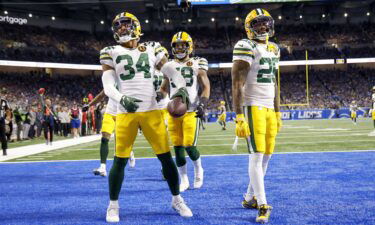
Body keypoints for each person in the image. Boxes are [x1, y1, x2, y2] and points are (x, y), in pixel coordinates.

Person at [99, 12, 192, 222]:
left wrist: (180, 89)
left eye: (126, 25)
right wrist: (121, 99)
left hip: (152, 111)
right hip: (126, 113)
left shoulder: (152, 48)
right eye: (118, 26)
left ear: (136, 26)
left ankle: (177, 199)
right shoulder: (110, 52)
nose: (122, 29)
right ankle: (113, 205)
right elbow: (107, 85)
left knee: (166, 158)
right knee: (120, 161)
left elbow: (170, 70)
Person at [231, 8, 282, 224]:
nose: (262, 27)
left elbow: (275, 82)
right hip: (253, 107)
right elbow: (237, 83)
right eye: (257, 24)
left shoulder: (274, 48)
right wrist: (239, 116)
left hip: (269, 107)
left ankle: (249, 197)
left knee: (267, 154)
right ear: (249, 28)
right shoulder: (245, 46)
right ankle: (262, 204)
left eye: (265, 23)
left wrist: (278, 111)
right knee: (257, 155)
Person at [158, 31, 210, 192]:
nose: (180, 48)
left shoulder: (198, 62)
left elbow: (205, 85)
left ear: (190, 46)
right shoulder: (168, 66)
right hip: (173, 111)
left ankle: (198, 170)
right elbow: (164, 87)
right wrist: (159, 94)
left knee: (189, 145)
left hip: (191, 110)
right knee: (177, 147)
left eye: (183, 45)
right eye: (177, 46)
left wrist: (202, 104)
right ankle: (184, 179)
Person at [84, 90, 136, 177]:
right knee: (104, 138)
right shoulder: (111, 79)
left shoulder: (129, 80)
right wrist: (89, 105)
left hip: (123, 114)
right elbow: (101, 95)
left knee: (121, 142)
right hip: (110, 113)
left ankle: (130, 152)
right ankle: (103, 168)